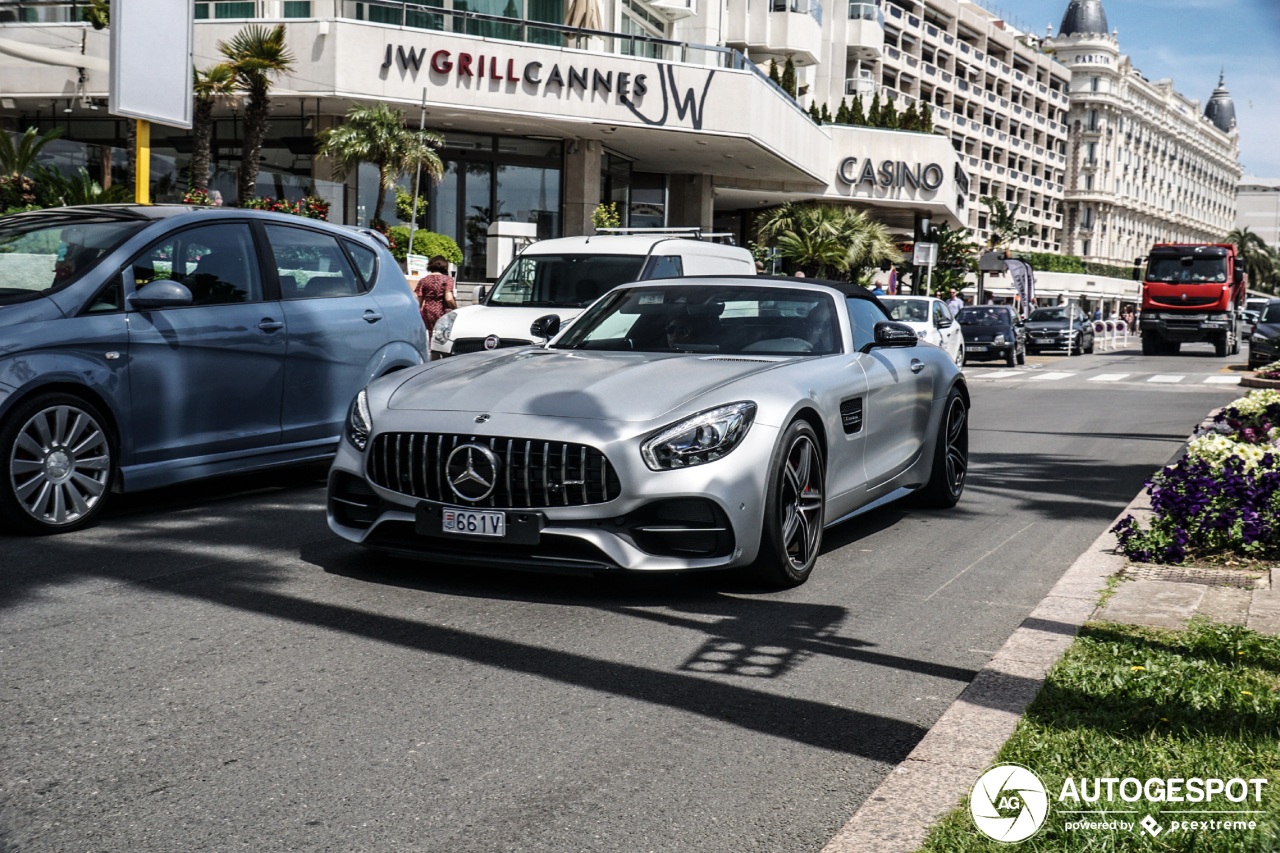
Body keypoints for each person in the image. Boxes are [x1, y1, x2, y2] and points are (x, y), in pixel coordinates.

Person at [414, 255, 456, 336]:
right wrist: (454, 307)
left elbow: (419, 301)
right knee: (442, 336)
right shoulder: (447, 279)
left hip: (427, 311)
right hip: (442, 311)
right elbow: (449, 298)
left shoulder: (424, 280)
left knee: (430, 335)